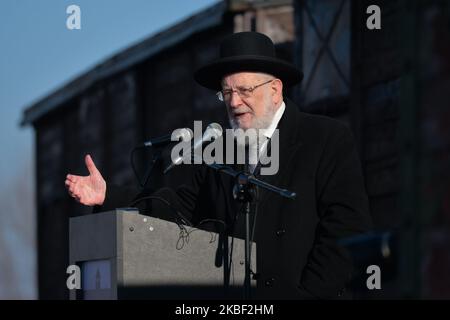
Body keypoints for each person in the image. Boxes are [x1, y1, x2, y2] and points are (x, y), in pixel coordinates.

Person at [65, 32, 372, 299]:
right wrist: (110, 195)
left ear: (275, 90)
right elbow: (174, 211)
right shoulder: (218, 151)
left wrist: (305, 295)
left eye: (244, 90)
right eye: (226, 93)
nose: (234, 103)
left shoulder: (325, 138)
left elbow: (345, 231)